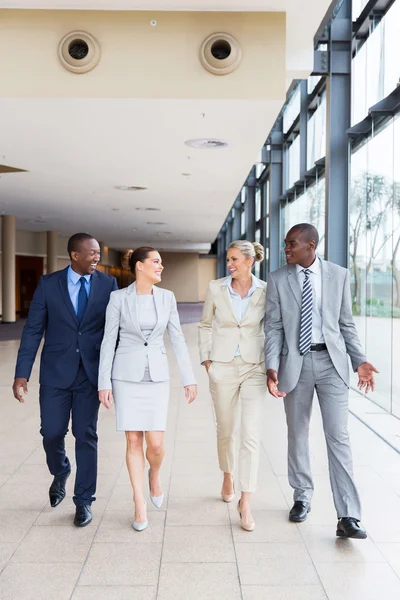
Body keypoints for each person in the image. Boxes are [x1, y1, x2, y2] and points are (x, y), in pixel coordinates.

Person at [265, 223, 378, 539]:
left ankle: (348, 516)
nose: (286, 249)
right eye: (286, 244)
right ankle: (302, 496)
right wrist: (271, 366)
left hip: (332, 363)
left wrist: (359, 361)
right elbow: (273, 327)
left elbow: (345, 323)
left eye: (291, 244)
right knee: (298, 432)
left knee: (337, 436)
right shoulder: (277, 279)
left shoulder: (338, 275)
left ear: (310, 245)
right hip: (294, 365)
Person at [13, 233, 118, 527]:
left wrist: (113, 376)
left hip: (90, 374)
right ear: (74, 255)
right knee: (51, 432)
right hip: (56, 372)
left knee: (86, 436)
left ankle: (84, 500)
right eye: (92, 253)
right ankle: (60, 469)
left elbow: (114, 331)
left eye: (98, 252)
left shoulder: (108, 284)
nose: (97, 257)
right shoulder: (49, 285)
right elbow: (33, 329)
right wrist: (22, 373)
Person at [98, 246, 197, 531]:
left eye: (161, 262)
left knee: (155, 444)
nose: (160, 266)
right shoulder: (118, 298)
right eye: (155, 262)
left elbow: (177, 338)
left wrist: (188, 377)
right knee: (133, 441)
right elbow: (109, 340)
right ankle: (138, 501)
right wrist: (104, 381)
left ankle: (154, 473)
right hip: (125, 375)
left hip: (157, 377)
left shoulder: (167, 298)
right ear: (139, 266)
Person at [199, 240, 267, 532]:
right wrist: (207, 361)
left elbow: (272, 326)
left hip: (255, 367)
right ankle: (227, 475)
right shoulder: (216, 288)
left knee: (251, 435)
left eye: (235, 259)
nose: (230, 264)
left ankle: (246, 501)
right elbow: (204, 324)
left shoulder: (265, 290)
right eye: (228, 259)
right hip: (223, 366)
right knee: (225, 430)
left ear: (250, 261)